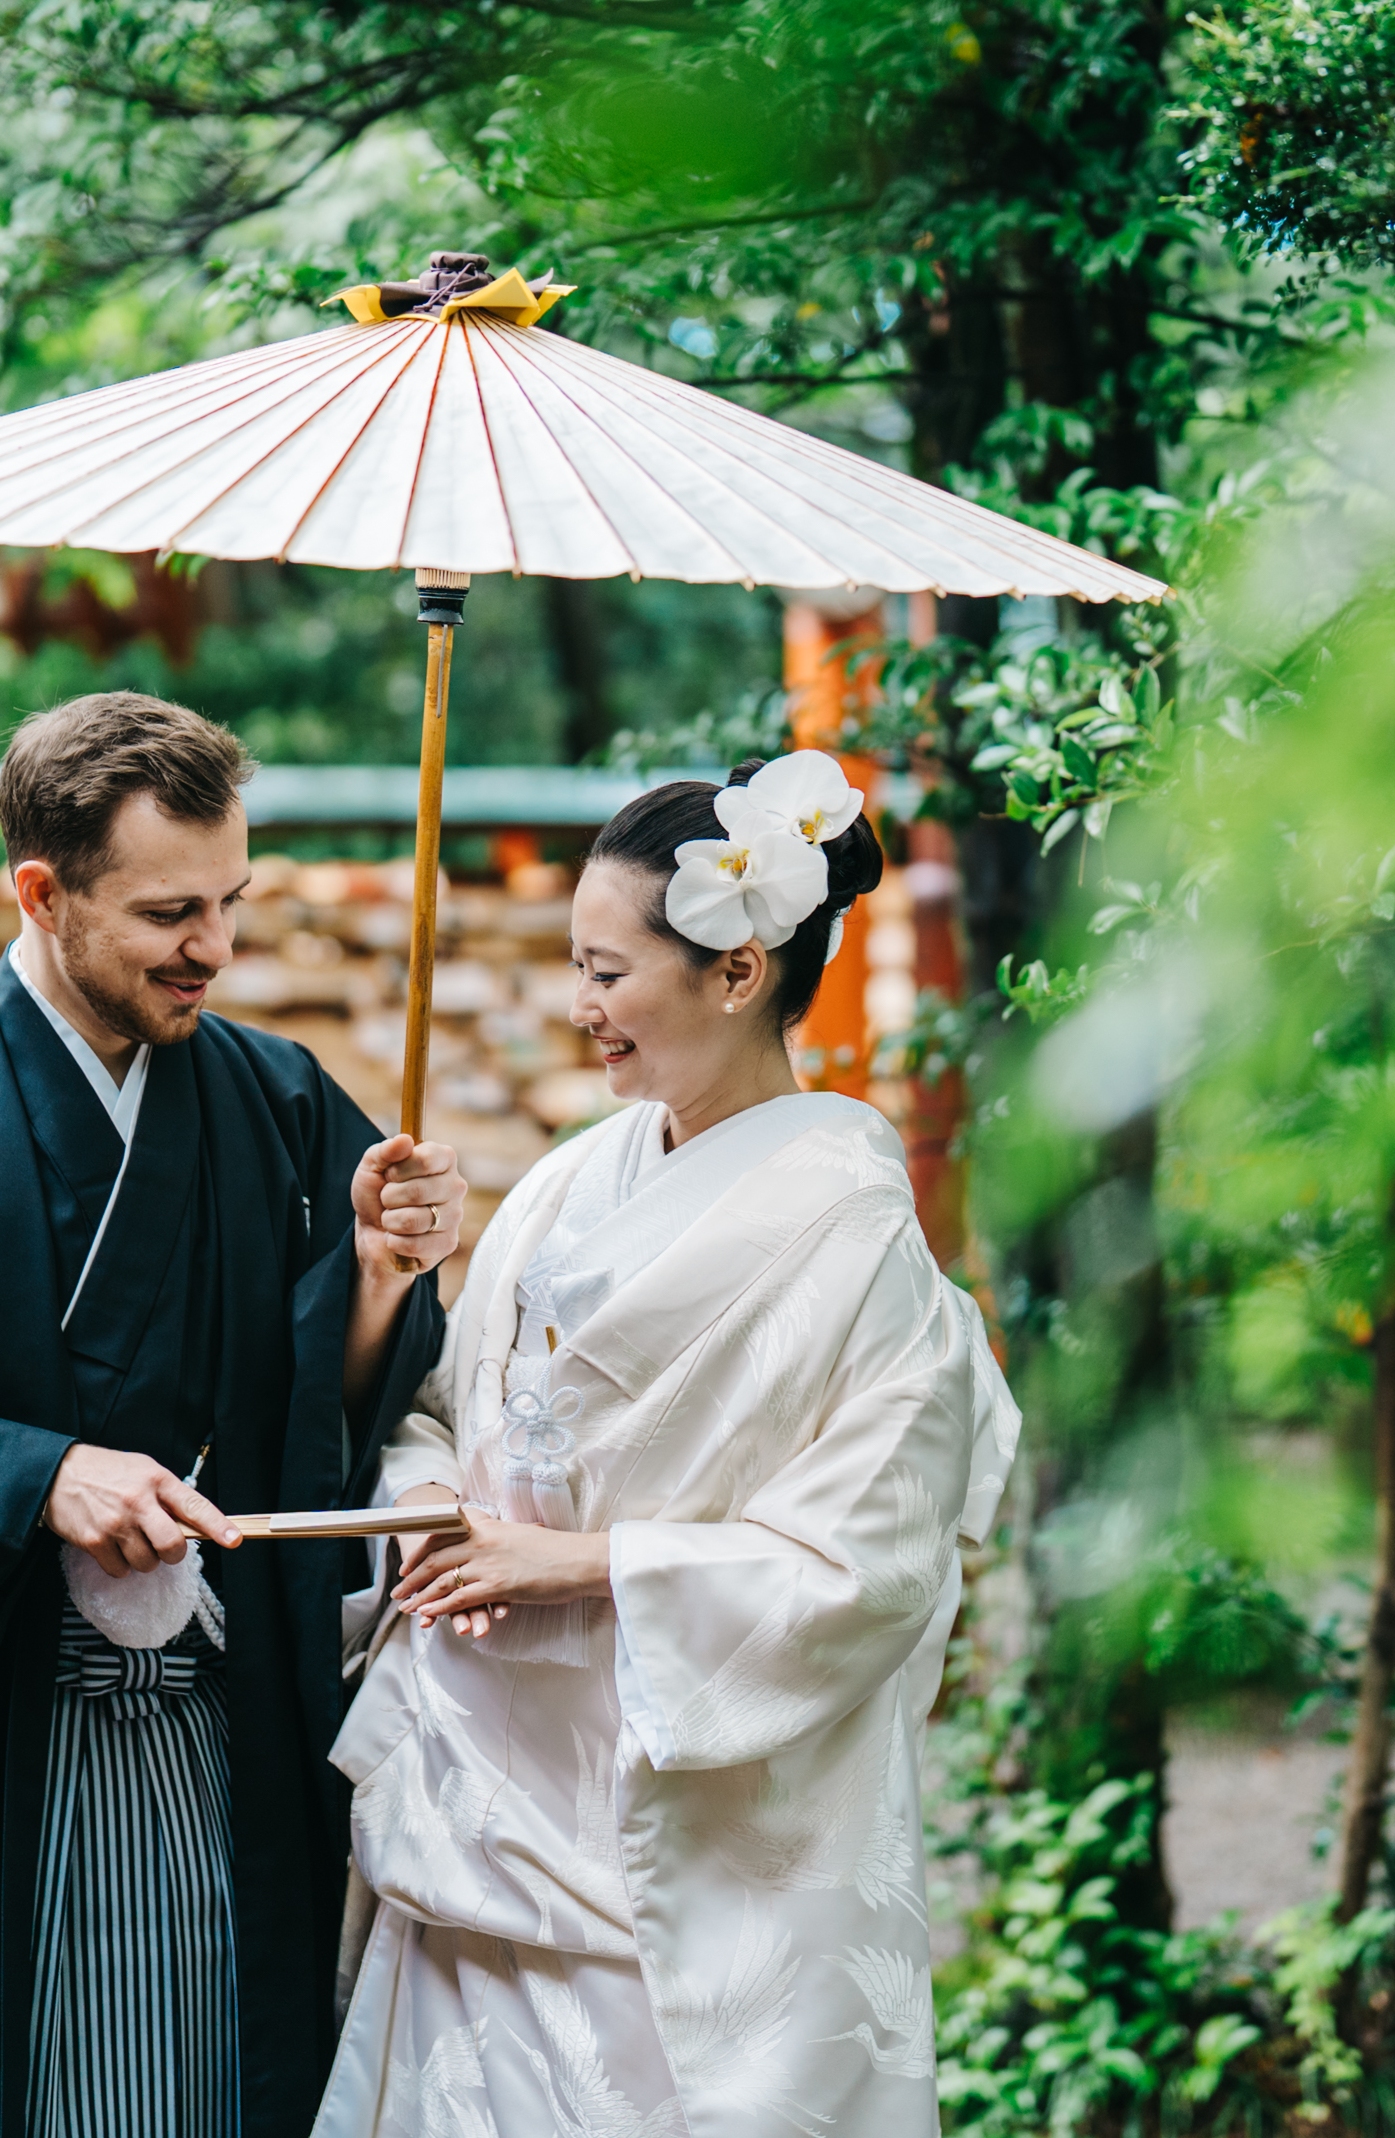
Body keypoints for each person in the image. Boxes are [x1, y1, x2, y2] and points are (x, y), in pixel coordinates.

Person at [0, 691, 468, 2138]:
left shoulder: (279, 1101)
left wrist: (378, 1273)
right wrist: (37, 1474)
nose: (214, 948)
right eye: (170, 913)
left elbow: (339, 1402)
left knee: (198, 2084)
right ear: (42, 894)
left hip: (215, 1723)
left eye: (232, 901)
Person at [314, 751, 1020, 2138]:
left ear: (738, 972)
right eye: (576, 970)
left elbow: (870, 1567)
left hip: (682, 1842)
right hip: (478, 1783)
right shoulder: (574, 1178)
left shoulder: (860, 1240)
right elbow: (441, 1413)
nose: (581, 1008)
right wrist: (435, 1505)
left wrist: (583, 1563)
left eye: (605, 972)